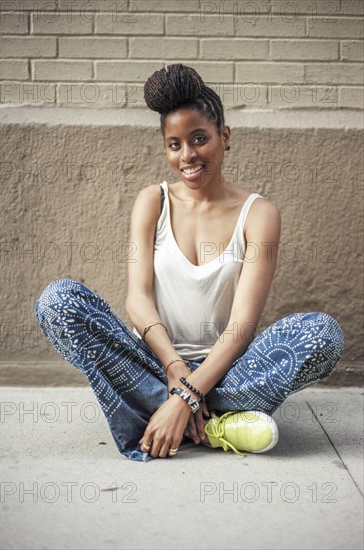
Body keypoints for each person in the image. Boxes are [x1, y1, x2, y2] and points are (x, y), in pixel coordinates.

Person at [34, 63, 345, 463]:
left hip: (228, 369)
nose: (188, 155)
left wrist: (190, 392)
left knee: (322, 334)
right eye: (174, 144)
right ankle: (215, 423)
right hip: (154, 362)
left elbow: (242, 326)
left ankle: (168, 414)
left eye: (199, 139)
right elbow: (138, 300)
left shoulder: (259, 213)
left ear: (224, 136)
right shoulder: (153, 201)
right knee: (58, 300)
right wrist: (174, 368)